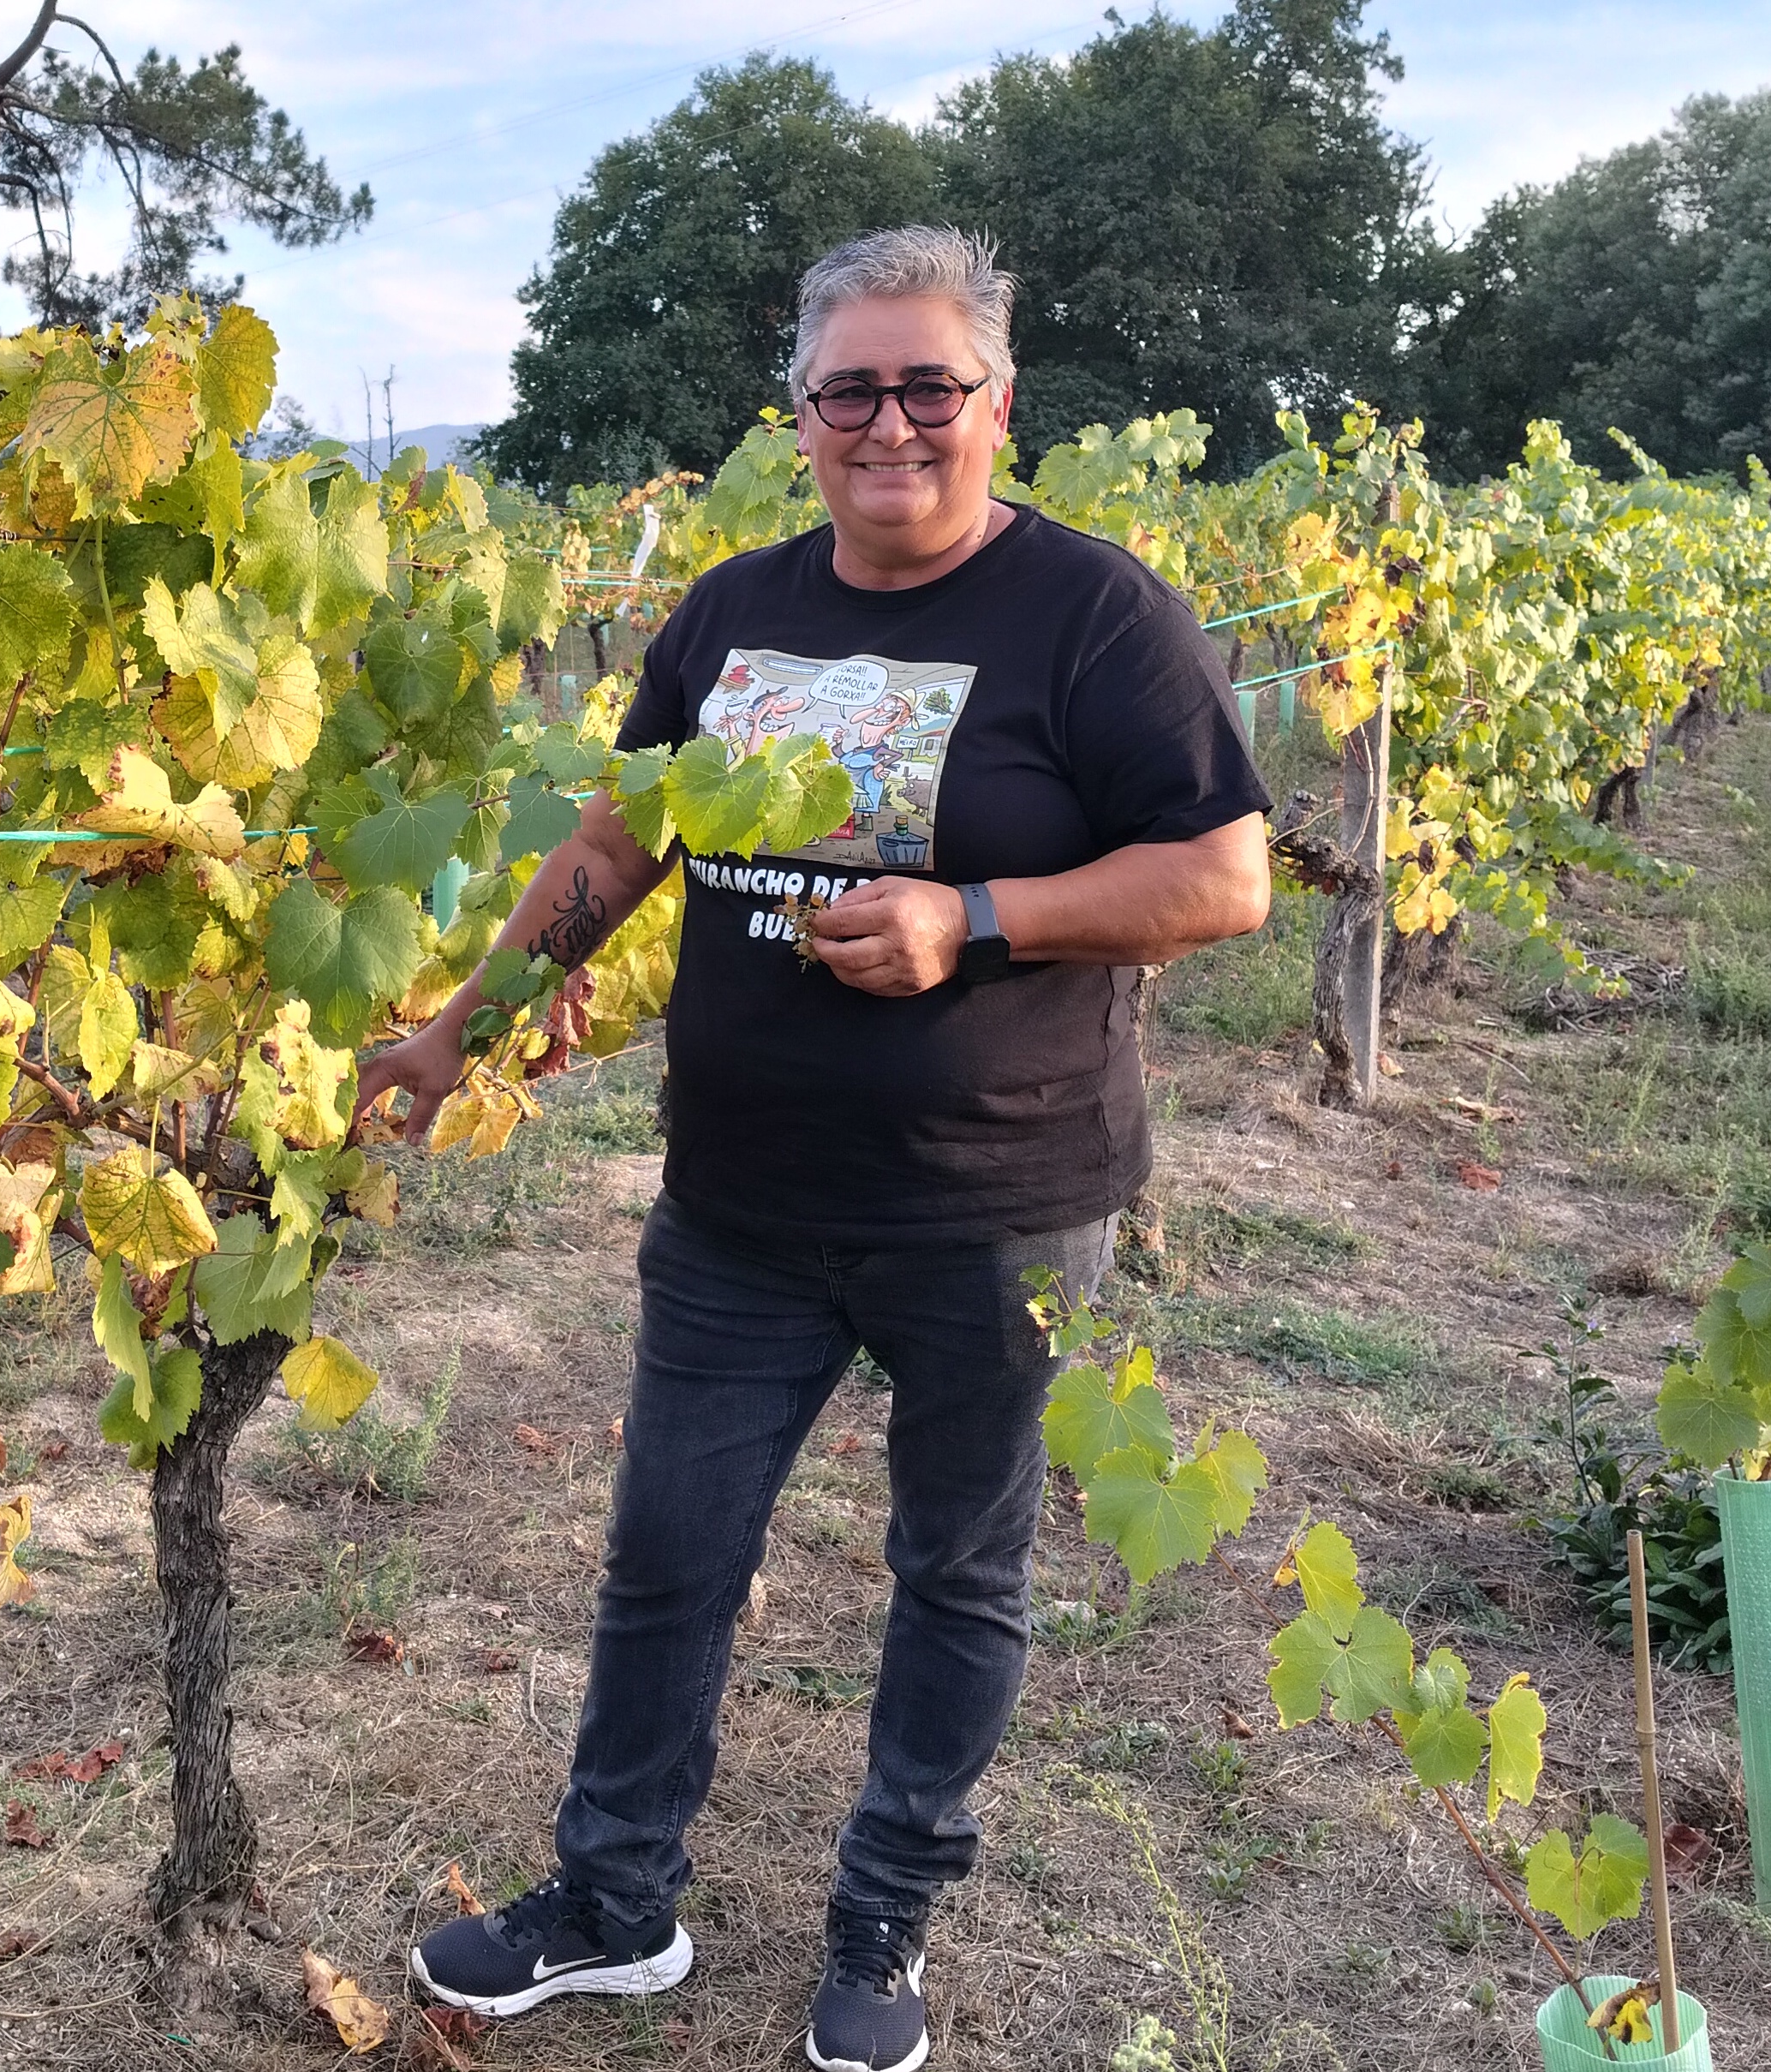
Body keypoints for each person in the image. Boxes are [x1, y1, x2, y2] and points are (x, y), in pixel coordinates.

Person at [358, 224, 1273, 2072]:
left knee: (959, 1570)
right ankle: (615, 1901)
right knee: (668, 1552)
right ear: (799, 415)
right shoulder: (726, 612)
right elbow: (616, 843)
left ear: (996, 404)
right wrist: (464, 1022)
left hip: (996, 1206)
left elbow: (1225, 876)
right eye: (849, 388)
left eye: (929, 385)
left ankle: (889, 1910)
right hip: (740, 1202)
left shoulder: (1098, 618)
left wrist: (976, 920)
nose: (890, 423)